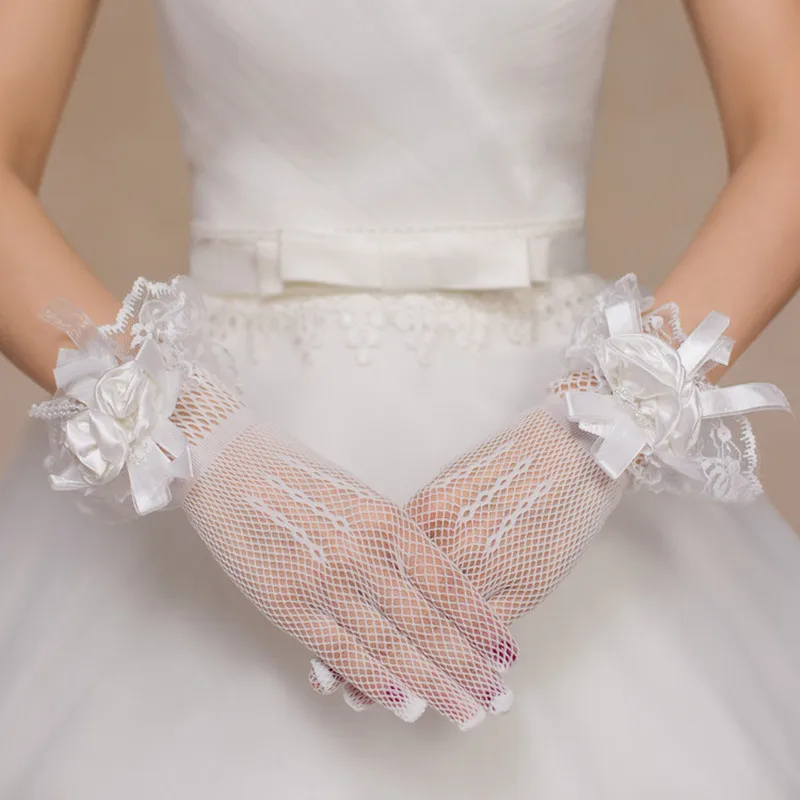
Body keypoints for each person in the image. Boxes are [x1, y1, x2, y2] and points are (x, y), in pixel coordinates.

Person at [1, 1, 799, 797]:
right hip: (219, 437)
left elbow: (787, 132)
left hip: (556, 433)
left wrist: (603, 427)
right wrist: (191, 439)